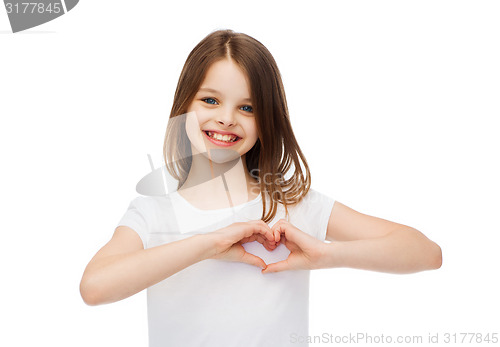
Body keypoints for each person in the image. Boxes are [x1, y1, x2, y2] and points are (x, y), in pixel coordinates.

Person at [79, 29, 442, 346]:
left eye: (248, 107)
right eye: (210, 100)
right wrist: (208, 244)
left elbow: (426, 252)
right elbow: (95, 287)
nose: (226, 118)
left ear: (267, 120)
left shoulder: (296, 205)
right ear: (184, 105)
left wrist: (329, 255)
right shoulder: (153, 213)